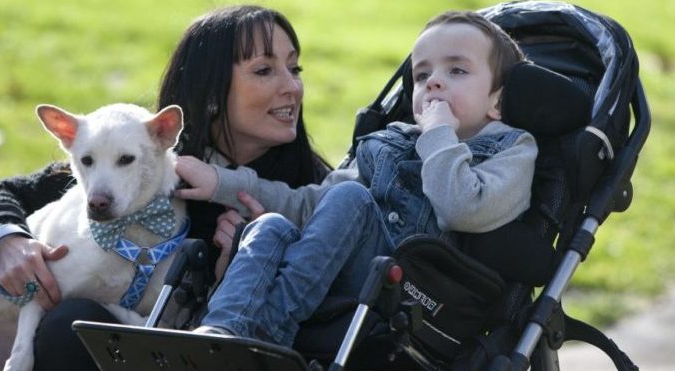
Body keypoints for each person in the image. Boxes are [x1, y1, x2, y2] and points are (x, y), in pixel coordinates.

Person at [0, 5, 329, 371]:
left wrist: (248, 267)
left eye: (295, 69)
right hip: (100, 369)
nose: (291, 87)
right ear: (212, 89)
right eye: (264, 70)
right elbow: (3, 195)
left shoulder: (309, 189)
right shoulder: (138, 153)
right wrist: (4, 240)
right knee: (71, 324)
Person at [175, 10, 538, 347]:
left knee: (351, 196)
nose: (434, 84)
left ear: (497, 102)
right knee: (270, 226)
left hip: (414, 289)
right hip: (350, 270)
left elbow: (461, 209)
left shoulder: (511, 150)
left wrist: (439, 136)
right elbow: (310, 204)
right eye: (423, 75)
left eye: (456, 71)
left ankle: (268, 334)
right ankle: (221, 332)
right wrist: (220, 181)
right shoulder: (390, 143)